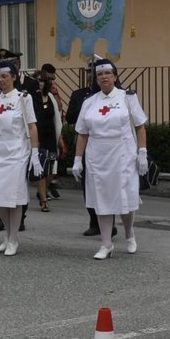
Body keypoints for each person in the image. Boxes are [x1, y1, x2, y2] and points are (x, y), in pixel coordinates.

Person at [72, 58, 149, 259]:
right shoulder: (89, 102)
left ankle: (129, 233)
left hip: (123, 153)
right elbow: (82, 133)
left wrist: (142, 153)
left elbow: (140, 126)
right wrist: (77, 160)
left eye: (108, 73)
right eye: (100, 74)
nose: (104, 77)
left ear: (115, 76)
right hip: (98, 156)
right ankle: (106, 243)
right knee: (102, 199)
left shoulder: (127, 97)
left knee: (125, 198)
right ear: (95, 78)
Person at [0, 62, 41, 256]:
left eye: (5, 76)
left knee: (14, 198)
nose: (1, 80)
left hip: (18, 149)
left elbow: (32, 126)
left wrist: (35, 153)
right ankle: (7, 234)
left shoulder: (23, 98)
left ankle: (13, 238)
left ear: (14, 77)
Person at [64, 62, 103, 236]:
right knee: (89, 185)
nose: (91, 75)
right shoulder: (80, 95)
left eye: (94, 72)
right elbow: (70, 117)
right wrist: (86, 106)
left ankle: (108, 218)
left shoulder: (110, 95)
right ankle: (94, 221)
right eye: (90, 72)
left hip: (106, 146)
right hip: (86, 143)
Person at [30, 64, 63, 212]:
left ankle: (42, 190)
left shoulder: (50, 97)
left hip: (51, 137)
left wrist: (60, 137)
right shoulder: (30, 98)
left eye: (42, 80)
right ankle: (43, 200)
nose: (40, 83)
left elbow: (58, 116)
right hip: (38, 137)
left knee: (51, 170)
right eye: (38, 80)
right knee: (41, 169)